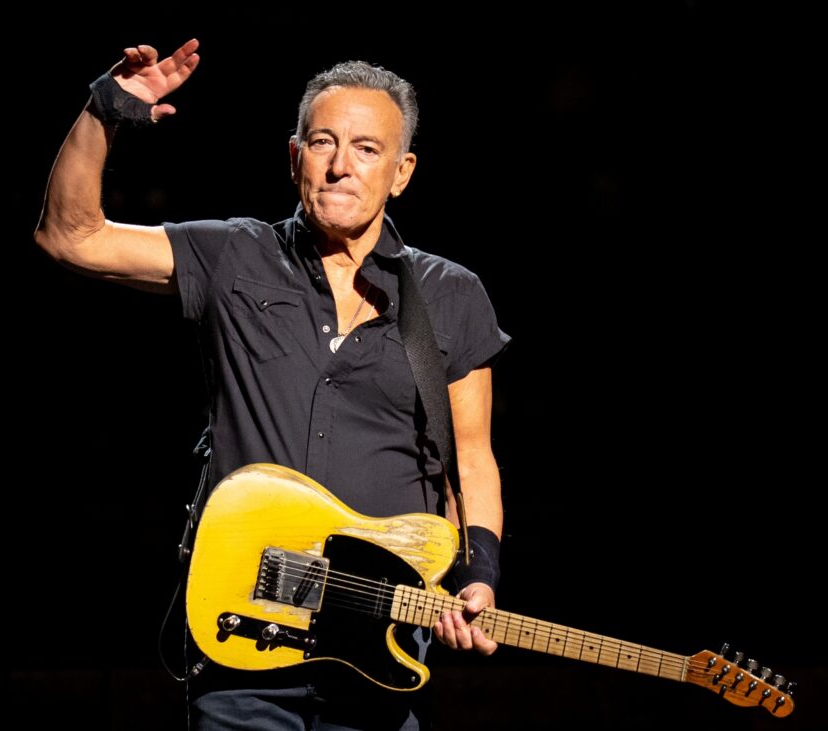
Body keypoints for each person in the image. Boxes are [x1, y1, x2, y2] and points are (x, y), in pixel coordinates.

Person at [35, 37, 510, 730]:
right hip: (243, 634)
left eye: (368, 149)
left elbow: (470, 456)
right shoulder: (235, 255)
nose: (341, 166)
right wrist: (104, 113)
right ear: (295, 158)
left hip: (378, 653)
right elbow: (69, 236)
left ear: (402, 172)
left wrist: (479, 574)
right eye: (323, 142)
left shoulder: (452, 295)